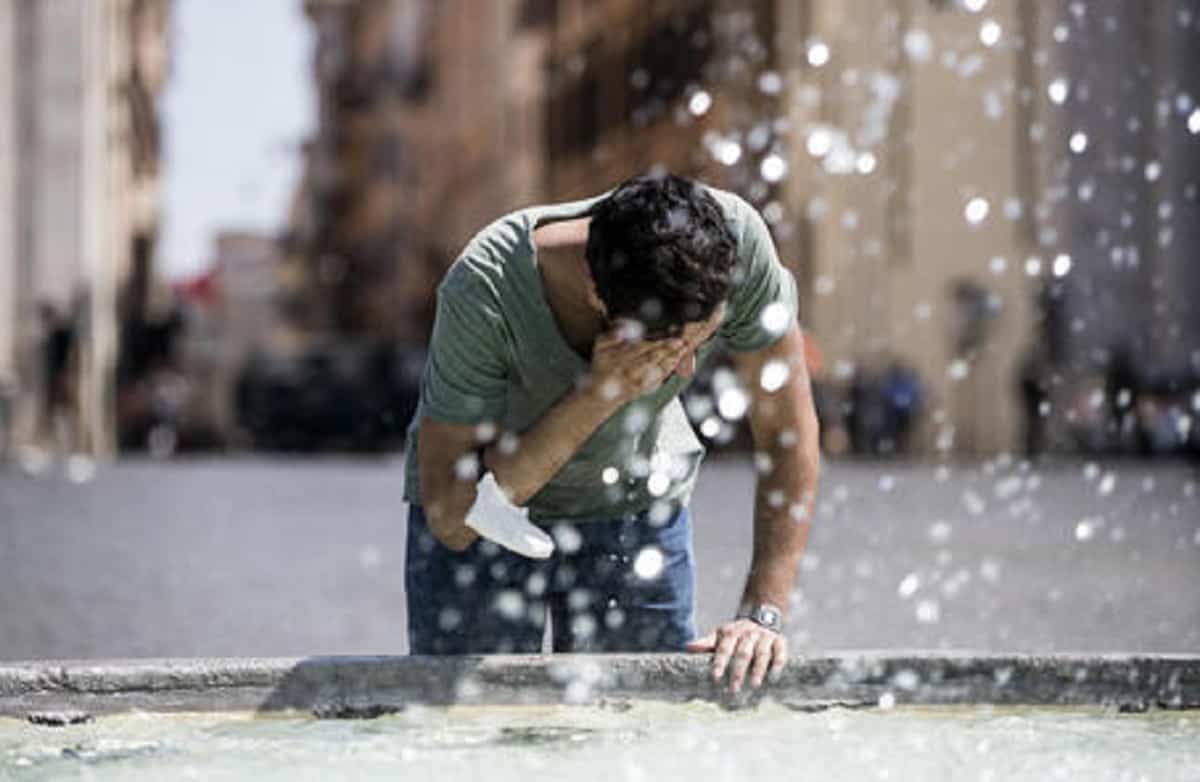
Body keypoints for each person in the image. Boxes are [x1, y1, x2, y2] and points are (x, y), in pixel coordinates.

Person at [403, 173, 820, 694]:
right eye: (666, 352)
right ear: (596, 295)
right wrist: (600, 393)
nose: (688, 369)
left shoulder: (736, 247)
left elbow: (787, 433)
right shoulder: (484, 287)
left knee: (640, 736)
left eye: (703, 340)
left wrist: (763, 616)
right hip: (482, 525)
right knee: (470, 735)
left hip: (635, 510)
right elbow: (452, 520)